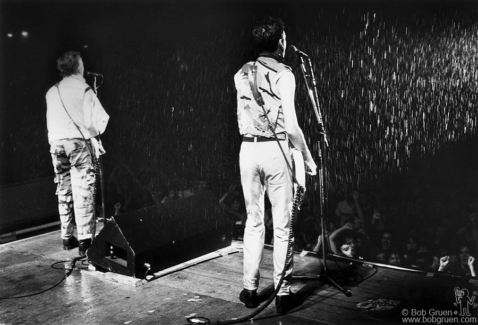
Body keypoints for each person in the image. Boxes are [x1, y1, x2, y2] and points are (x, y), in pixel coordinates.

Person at [234, 17, 317, 314]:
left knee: (253, 221)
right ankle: (282, 294)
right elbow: (292, 127)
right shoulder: (285, 74)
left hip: (247, 150)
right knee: (282, 225)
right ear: (280, 40)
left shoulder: (240, 73)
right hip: (276, 148)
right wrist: (307, 158)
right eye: (284, 37)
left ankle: (250, 290)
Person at [46, 51, 108, 256]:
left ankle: (66, 237)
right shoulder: (85, 90)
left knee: (63, 189)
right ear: (78, 67)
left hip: (56, 144)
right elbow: (93, 123)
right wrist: (94, 136)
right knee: (83, 190)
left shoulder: (51, 91)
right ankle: (85, 240)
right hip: (77, 144)